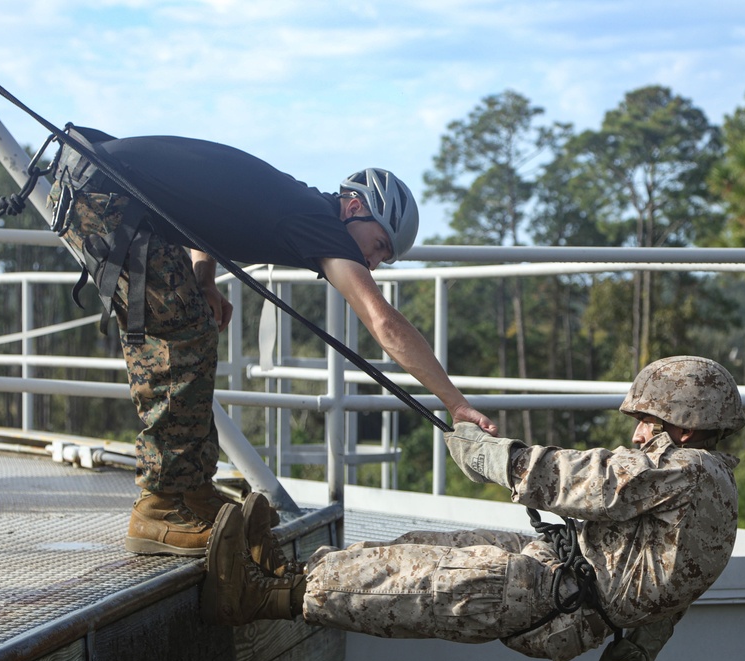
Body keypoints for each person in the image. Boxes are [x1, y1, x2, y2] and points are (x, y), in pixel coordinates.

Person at [48, 128, 496, 557]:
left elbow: (206, 211)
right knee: (179, 336)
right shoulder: (322, 226)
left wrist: (204, 278)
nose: (374, 262)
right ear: (354, 206)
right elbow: (384, 323)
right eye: (379, 245)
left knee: (194, 324)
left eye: (384, 258)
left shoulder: (299, 206)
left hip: (100, 184)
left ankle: (191, 493)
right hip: (103, 195)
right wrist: (455, 404)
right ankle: (159, 509)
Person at [200, 356, 745, 661]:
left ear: (687, 425)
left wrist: (494, 458)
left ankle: (259, 594)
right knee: (421, 547)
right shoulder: (717, 493)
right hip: (564, 577)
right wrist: (635, 656)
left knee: (416, 580)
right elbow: (676, 590)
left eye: (650, 420)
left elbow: (591, 479)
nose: (640, 434)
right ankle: (285, 568)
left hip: (558, 594)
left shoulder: (686, 470)